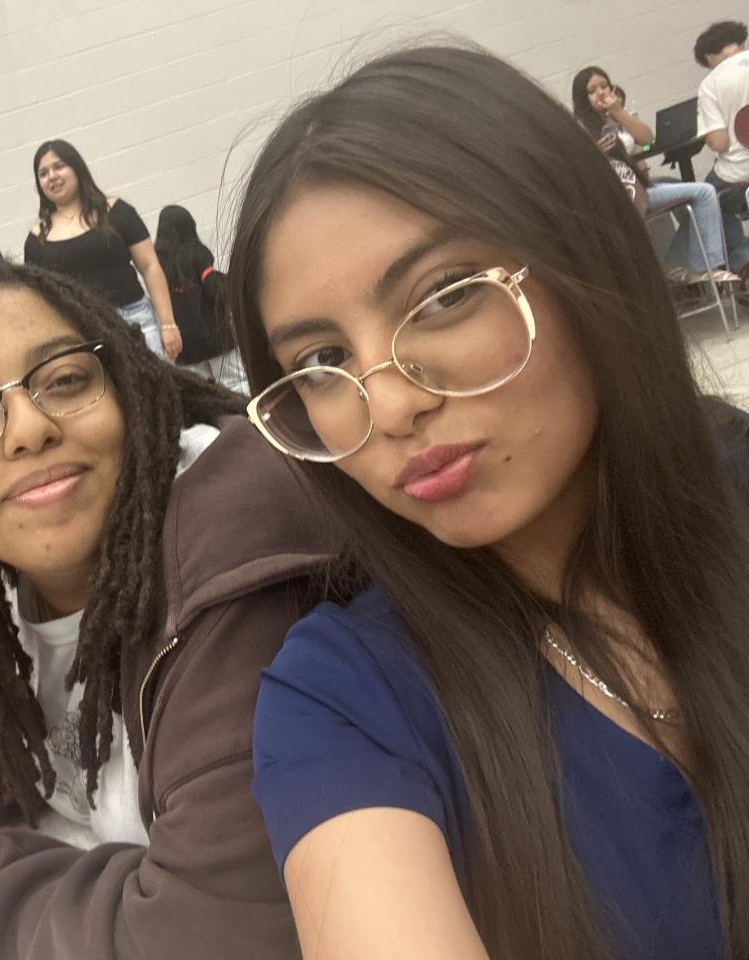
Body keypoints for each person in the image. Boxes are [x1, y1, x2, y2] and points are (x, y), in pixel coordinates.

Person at [228, 47, 749, 960]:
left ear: (584, 255)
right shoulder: (345, 698)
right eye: (321, 362)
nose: (390, 404)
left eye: (443, 297)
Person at [0, 261, 335, 959]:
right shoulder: (30, 577)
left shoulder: (240, 570)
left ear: (127, 386)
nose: (29, 428)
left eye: (65, 380)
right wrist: (20, 754)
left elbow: (215, 936)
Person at [571, 65, 738, 282]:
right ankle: (704, 268)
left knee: (684, 194)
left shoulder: (615, 117)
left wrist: (619, 112)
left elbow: (647, 139)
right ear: (582, 98)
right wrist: (596, 154)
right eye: (592, 91)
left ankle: (673, 267)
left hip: (640, 185)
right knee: (705, 192)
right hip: (622, 195)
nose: (601, 93)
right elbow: (577, 169)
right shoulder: (580, 128)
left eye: (604, 86)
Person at [22, 139, 182, 361]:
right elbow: (38, 302)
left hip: (137, 323)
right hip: (83, 338)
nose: (52, 176)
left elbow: (149, 266)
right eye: (43, 173)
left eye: (59, 167)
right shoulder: (36, 239)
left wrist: (168, 324)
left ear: (77, 168)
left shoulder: (117, 212)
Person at [154, 204, 248, 393]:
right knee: (235, 382)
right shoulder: (197, 251)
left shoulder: (157, 262)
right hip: (213, 334)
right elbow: (213, 288)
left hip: (184, 342)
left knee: (202, 390)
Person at [694, 20, 749, 272]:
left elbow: (719, 142)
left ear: (708, 56)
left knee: (708, 196)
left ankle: (742, 261)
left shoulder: (711, 84)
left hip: (739, 174)